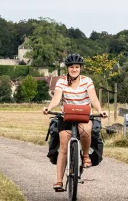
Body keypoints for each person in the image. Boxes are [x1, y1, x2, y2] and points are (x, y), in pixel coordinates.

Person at [43, 53, 107, 192]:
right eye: (71, 67)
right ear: (67, 68)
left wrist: (100, 110)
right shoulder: (61, 82)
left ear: (80, 68)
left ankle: (85, 156)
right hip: (66, 116)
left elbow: (94, 98)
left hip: (84, 116)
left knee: (85, 131)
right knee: (64, 145)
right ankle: (59, 181)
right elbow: (57, 98)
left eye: (77, 67)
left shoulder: (87, 81)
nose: (74, 69)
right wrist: (49, 108)